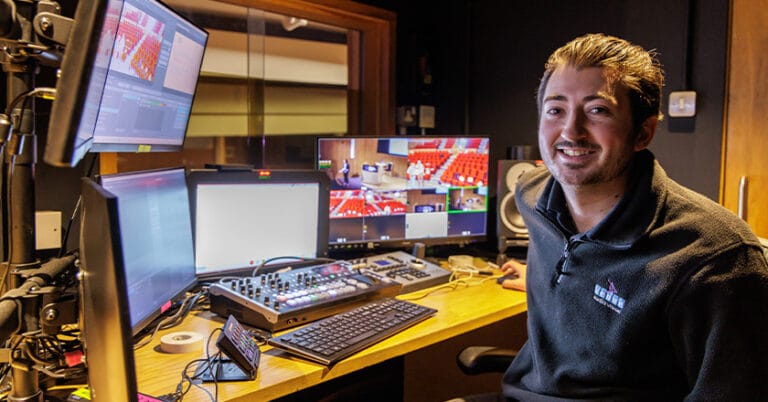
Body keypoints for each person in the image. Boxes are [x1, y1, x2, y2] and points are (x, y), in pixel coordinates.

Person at [488, 33, 768, 400]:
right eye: (556, 109)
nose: (570, 131)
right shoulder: (530, 194)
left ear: (643, 132)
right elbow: (590, 265)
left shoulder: (715, 257)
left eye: (597, 110)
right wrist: (552, 278)